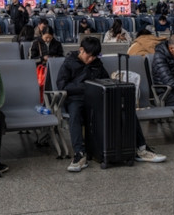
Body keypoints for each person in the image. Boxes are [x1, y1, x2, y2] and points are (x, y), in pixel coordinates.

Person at [56, 37, 165, 172]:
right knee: (75, 115)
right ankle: (79, 154)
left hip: (96, 98)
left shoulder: (97, 64)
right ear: (81, 50)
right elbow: (62, 85)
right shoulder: (69, 63)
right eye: (89, 56)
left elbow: (106, 81)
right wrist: (86, 86)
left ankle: (141, 148)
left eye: (94, 57)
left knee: (126, 110)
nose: (91, 60)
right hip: (76, 99)